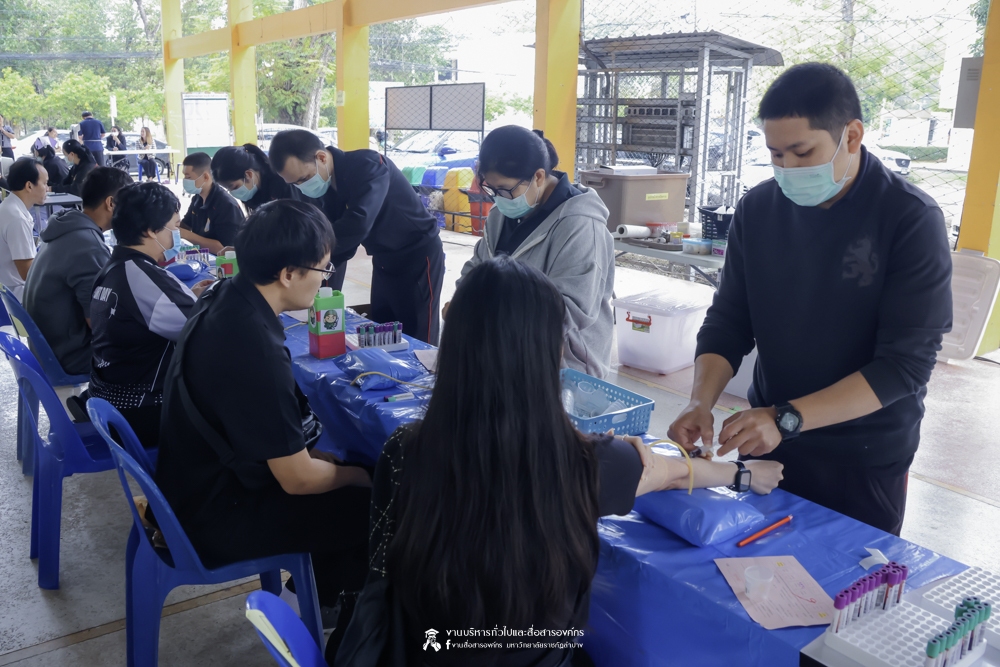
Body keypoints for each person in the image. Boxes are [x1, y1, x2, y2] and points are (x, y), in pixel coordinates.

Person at [334, 256, 784, 666]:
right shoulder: (588, 463)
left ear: (454, 348)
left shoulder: (404, 451)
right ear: (546, 355)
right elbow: (673, 473)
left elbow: (382, 574)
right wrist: (744, 473)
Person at [667, 63, 953, 537]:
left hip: (860, 454)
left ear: (852, 136)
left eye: (802, 153)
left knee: (846, 576)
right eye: (775, 154)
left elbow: (905, 365)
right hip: (768, 439)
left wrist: (788, 418)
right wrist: (700, 401)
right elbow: (729, 321)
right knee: (752, 563)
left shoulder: (908, 218)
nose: (788, 169)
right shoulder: (759, 209)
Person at [155, 199, 371, 637]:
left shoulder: (223, 296)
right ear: (288, 273)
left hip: (190, 485)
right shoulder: (252, 345)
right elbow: (297, 480)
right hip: (215, 516)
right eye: (323, 269)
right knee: (377, 503)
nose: (325, 279)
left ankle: (313, 595)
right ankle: (312, 609)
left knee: (339, 468)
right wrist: (362, 476)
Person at [449, 126, 615, 379]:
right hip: (502, 350)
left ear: (538, 176)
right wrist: (462, 302)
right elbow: (477, 268)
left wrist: (489, 321)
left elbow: (570, 310)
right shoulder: (500, 214)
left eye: (505, 190)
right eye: (491, 190)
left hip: (563, 366)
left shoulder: (581, 225)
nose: (498, 198)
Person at [269, 130, 445, 344]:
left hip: (417, 254)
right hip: (383, 257)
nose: (302, 187)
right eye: (295, 184)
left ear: (321, 157)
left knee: (418, 334)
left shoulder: (368, 165)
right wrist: (316, 283)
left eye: (304, 179)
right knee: (382, 331)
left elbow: (357, 223)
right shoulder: (323, 185)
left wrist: (309, 264)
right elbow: (332, 241)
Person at [88, 182, 213, 447]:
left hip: (109, 400)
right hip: (142, 411)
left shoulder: (113, 268)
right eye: (175, 226)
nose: (177, 235)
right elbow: (205, 330)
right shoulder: (141, 277)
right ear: (151, 231)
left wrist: (190, 298)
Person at [23, 168, 131, 376]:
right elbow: (101, 326)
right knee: (156, 347)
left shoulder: (65, 227)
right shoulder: (88, 245)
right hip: (72, 356)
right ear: (111, 203)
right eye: (129, 204)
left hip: (49, 347)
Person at [180, 152, 245, 254]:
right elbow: (185, 225)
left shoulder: (226, 205)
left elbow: (224, 249)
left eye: (188, 177)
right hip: (204, 257)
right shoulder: (197, 199)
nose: (185, 181)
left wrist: (187, 235)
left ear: (206, 177)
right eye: (184, 176)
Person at [0, 158, 47, 299]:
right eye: (45, 183)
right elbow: (27, 273)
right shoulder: (17, 218)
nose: (47, 188)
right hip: (16, 298)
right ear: (29, 185)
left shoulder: (9, 207)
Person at [211, 144, 299, 214]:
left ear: (248, 174)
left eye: (234, 187)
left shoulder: (282, 182)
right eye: (227, 189)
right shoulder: (253, 193)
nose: (233, 192)